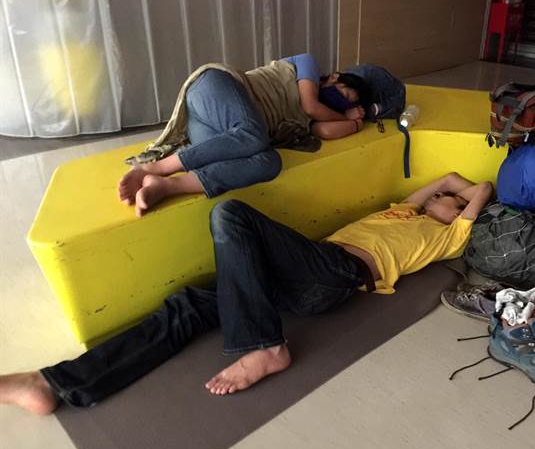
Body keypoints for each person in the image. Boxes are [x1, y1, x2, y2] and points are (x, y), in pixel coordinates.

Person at [1, 172, 492, 415]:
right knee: (189, 306)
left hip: (337, 274)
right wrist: (444, 187)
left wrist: (463, 195)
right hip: (301, 268)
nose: (443, 197)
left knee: (230, 214)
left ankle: (266, 346)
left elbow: (483, 187)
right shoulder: (401, 213)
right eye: (439, 196)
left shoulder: (446, 237)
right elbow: (442, 181)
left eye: (451, 201)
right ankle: (55, 384)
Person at [118, 53, 370, 217]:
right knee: (254, 135)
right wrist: (346, 115)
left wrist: (356, 124)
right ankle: (157, 168)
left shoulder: (310, 120)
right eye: (344, 94)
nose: (340, 102)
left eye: (345, 103)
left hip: (211, 127)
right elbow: (311, 105)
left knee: (270, 162)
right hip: (215, 87)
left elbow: (324, 130)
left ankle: (166, 186)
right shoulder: (307, 64)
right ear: (335, 77)